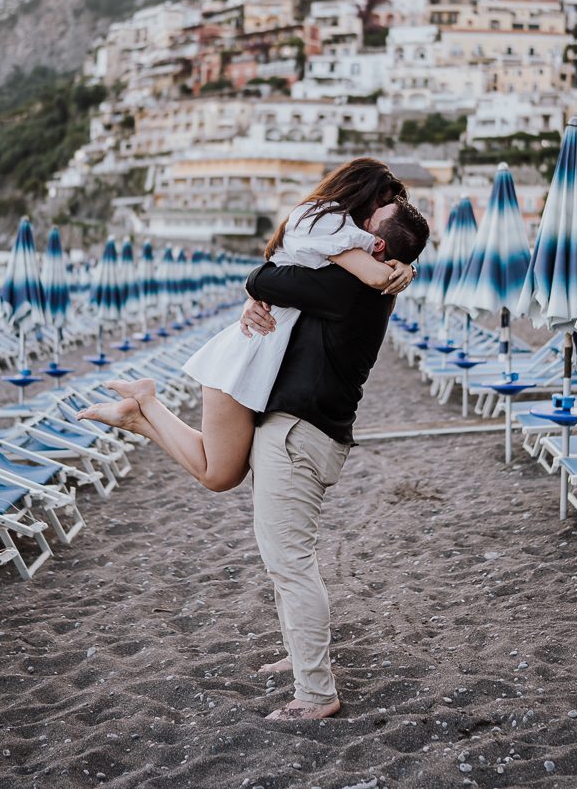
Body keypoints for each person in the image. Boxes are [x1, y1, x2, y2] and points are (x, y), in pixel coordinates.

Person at [76, 159, 417, 491]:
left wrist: (403, 265)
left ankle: (139, 411)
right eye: (383, 203)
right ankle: (145, 403)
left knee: (225, 472)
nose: (379, 219)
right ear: (358, 193)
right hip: (247, 356)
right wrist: (404, 268)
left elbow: (283, 277)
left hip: (263, 358)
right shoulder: (326, 224)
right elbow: (372, 275)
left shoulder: (332, 232)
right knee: (218, 475)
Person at [232, 193, 430, 720]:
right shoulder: (361, 286)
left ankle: (316, 693)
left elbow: (266, 276)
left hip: (299, 433)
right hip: (308, 431)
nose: (353, 227)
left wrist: (266, 287)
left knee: (291, 563)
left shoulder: (348, 289)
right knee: (285, 560)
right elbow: (272, 281)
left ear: (379, 243)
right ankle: (301, 653)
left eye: (365, 224)